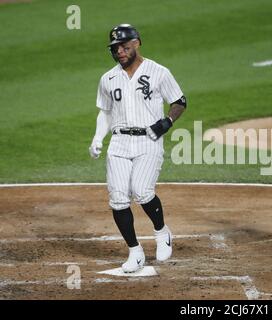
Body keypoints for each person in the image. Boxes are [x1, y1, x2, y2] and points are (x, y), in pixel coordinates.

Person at [89, 24, 187, 273]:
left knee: (142, 191)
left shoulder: (159, 72)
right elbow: (106, 113)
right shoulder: (108, 78)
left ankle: (161, 232)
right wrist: (98, 137)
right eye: (115, 48)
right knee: (119, 199)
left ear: (137, 43)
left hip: (148, 141)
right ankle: (135, 251)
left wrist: (167, 122)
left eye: (124, 46)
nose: (119, 52)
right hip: (119, 142)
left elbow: (179, 101)